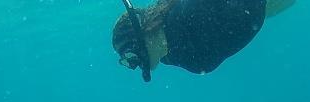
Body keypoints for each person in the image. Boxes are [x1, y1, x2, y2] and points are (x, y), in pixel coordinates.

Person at [112, 0, 295, 82]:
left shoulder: (191, 14)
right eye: (128, 62)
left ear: (143, 33)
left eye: (129, 56)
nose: (134, 65)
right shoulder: (172, 52)